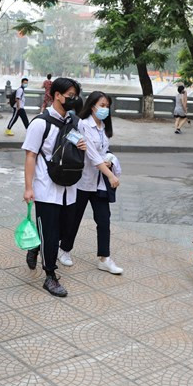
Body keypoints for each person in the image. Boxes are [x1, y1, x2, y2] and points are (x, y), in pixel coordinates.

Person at [21, 77, 86, 297]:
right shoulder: (40, 123)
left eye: (75, 95)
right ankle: (50, 276)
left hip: (69, 187)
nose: (73, 99)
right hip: (45, 187)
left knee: (65, 230)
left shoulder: (74, 122)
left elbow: (75, 149)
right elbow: (30, 155)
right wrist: (29, 188)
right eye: (70, 95)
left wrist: (82, 146)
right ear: (57, 95)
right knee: (50, 233)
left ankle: (35, 246)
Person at [58, 91, 123, 274]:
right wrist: (110, 175)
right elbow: (92, 154)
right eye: (102, 105)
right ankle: (64, 250)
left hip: (98, 182)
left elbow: (104, 151)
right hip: (82, 181)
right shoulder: (83, 126)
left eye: (107, 106)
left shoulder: (104, 128)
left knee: (104, 220)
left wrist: (110, 159)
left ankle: (104, 258)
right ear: (92, 105)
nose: (105, 109)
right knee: (73, 219)